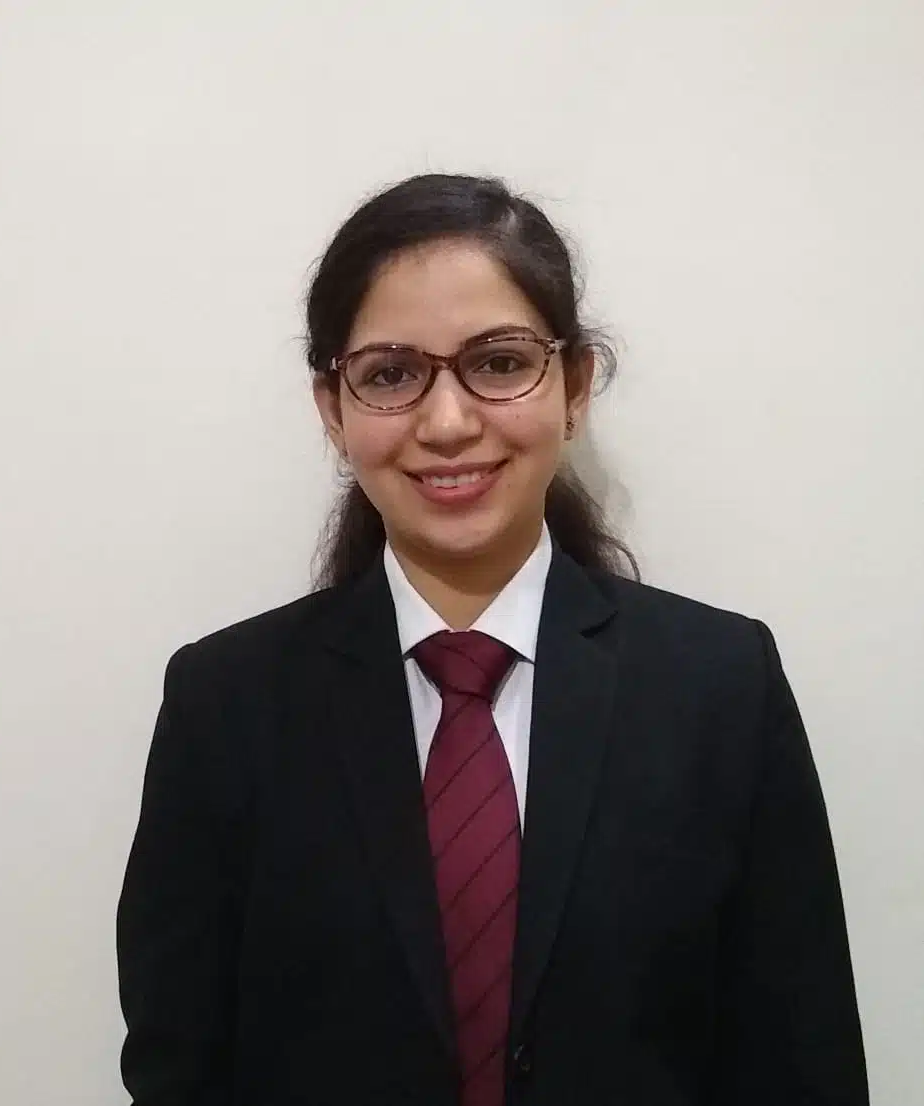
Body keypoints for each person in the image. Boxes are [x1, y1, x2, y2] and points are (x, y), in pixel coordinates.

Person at [117, 173, 869, 1106]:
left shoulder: (721, 688)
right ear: (332, 409)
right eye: (390, 375)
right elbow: (178, 1070)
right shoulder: (226, 705)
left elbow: (802, 1061)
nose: (448, 423)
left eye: (500, 362)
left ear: (575, 384)